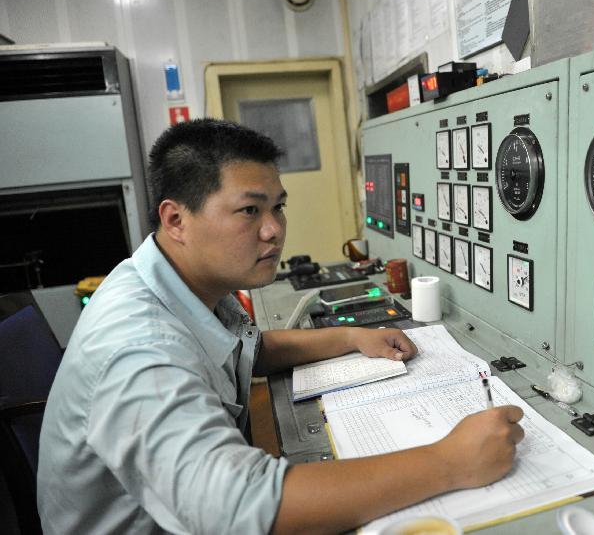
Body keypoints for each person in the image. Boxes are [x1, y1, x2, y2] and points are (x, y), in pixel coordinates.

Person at [37, 119, 525, 534]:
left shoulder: (173, 280)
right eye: (250, 210)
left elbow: (242, 349)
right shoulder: (140, 349)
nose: (273, 229)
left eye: (277, 207)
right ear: (176, 219)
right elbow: (239, 506)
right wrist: (449, 463)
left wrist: (350, 337)